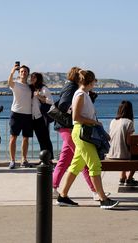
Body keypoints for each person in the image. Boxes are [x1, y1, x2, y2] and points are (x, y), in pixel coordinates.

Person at [57, 69, 119, 209]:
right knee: (95, 165)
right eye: (94, 82)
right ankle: (103, 199)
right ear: (91, 82)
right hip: (82, 133)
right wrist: (96, 123)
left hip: (83, 132)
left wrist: (99, 128)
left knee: (76, 165)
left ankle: (63, 196)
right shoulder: (80, 95)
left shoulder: (84, 94)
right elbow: (76, 117)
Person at [52, 67, 104, 201]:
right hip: (71, 128)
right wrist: (80, 113)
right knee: (88, 161)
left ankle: (56, 190)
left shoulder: (78, 90)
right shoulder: (72, 89)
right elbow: (65, 106)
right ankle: (96, 192)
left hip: (70, 128)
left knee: (70, 160)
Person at [106, 100, 138, 186]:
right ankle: (129, 178)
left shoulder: (113, 121)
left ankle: (122, 177)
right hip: (122, 155)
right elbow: (128, 142)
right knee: (137, 154)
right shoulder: (129, 122)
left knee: (122, 148)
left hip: (111, 154)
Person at [7, 63, 33, 169]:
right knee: (13, 138)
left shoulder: (30, 87)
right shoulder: (15, 84)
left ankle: (24, 160)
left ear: (28, 74)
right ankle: (12, 161)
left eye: (25, 71)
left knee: (26, 139)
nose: (23, 73)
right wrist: (12, 71)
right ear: (19, 73)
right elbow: (9, 82)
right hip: (16, 114)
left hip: (28, 115)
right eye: (21, 71)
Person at [29, 72, 54, 164]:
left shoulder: (43, 89)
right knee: (40, 139)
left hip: (41, 117)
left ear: (38, 78)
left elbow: (51, 101)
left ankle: (50, 159)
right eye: (31, 77)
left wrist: (39, 96)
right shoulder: (30, 88)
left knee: (46, 138)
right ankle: (43, 158)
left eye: (34, 77)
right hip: (33, 117)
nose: (32, 78)